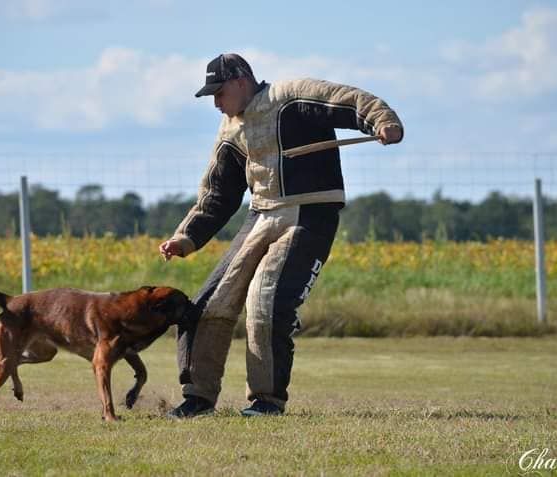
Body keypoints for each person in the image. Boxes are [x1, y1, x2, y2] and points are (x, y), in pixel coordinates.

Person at [159, 53, 403, 417]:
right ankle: (198, 397)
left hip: (310, 213)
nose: (215, 103)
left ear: (241, 81)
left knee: (266, 301)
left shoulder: (292, 96)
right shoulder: (230, 128)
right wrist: (186, 236)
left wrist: (381, 121)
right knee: (210, 303)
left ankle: (266, 400)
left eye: (219, 93)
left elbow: (347, 100)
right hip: (260, 215)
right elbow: (218, 194)